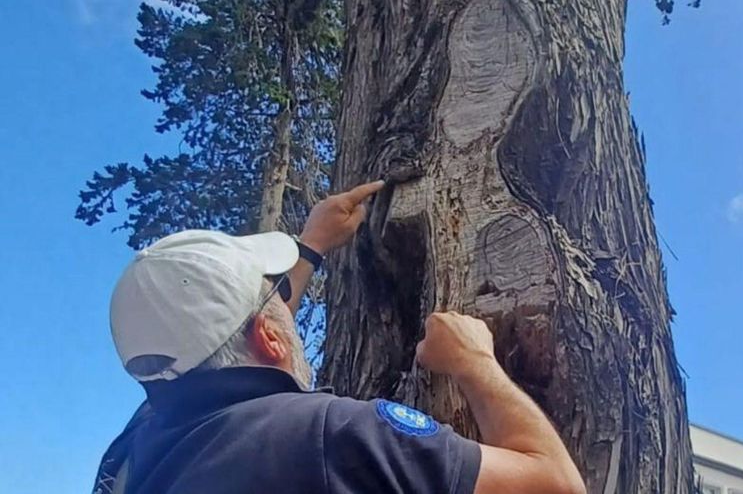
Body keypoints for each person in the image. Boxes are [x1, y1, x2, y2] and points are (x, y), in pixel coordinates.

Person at [93, 181, 586, 494]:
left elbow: (248, 341)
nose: (282, 304)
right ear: (269, 336)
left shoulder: (133, 452)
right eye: (271, 296)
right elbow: (556, 487)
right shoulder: (329, 438)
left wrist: (311, 247)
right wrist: (475, 361)